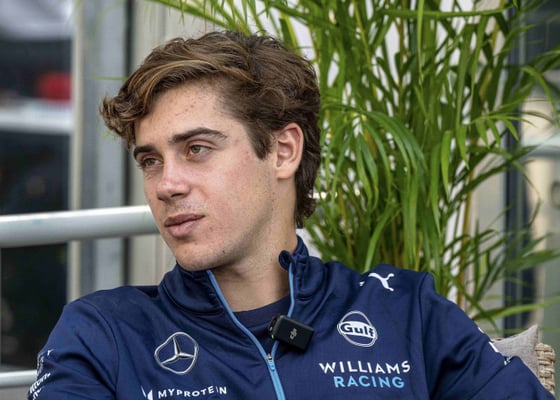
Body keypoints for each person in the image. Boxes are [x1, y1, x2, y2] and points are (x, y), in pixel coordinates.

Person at [28, 30, 554, 400]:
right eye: (151, 161)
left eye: (197, 149)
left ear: (283, 151)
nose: (166, 185)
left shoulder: (407, 312)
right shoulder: (104, 334)